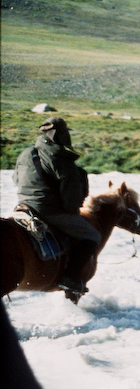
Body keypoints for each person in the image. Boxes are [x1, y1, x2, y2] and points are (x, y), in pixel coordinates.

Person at [12, 117, 102, 295]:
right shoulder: (60, 157)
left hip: (23, 207)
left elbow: (16, 179)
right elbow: (71, 195)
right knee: (92, 236)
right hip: (50, 212)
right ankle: (71, 278)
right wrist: (72, 211)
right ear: (61, 135)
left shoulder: (25, 153)